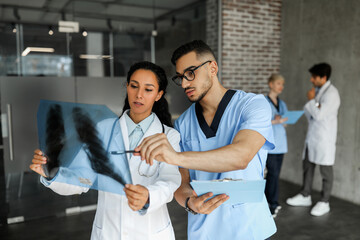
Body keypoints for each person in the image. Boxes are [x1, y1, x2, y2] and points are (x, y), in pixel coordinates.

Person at [135, 40, 276, 239]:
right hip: (204, 231)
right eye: (180, 77)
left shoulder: (253, 105)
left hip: (248, 228)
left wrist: (176, 157)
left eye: (190, 73)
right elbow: (182, 184)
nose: (184, 83)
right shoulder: (183, 123)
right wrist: (189, 203)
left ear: (212, 67)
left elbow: (241, 156)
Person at [30, 61, 181, 240]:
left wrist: (149, 195)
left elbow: (170, 180)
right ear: (127, 87)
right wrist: (51, 173)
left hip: (151, 232)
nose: (139, 95)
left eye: (148, 89)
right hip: (110, 231)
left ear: (159, 95)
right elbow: (82, 179)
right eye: (134, 86)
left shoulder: (169, 136)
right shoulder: (102, 130)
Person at [286, 63, 340, 217]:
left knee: (325, 171)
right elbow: (313, 114)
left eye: (314, 77)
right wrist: (313, 102)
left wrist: (311, 100)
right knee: (307, 166)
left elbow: (319, 115)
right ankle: (305, 195)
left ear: (323, 78)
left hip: (324, 139)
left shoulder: (332, 94)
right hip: (313, 137)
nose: (311, 80)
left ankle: (324, 201)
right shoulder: (318, 91)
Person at [265, 74, 288, 218]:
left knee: (275, 175)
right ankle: (272, 203)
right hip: (271, 145)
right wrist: (275, 121)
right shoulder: (263, 102)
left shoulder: (282, 103)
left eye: (282, 84)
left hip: (282, 144)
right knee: (272, 174)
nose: (281, 87)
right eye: (279, 83)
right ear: (271, 84)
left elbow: (285, 123)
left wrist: (283, 120)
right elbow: (261, 123)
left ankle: (270, 200)